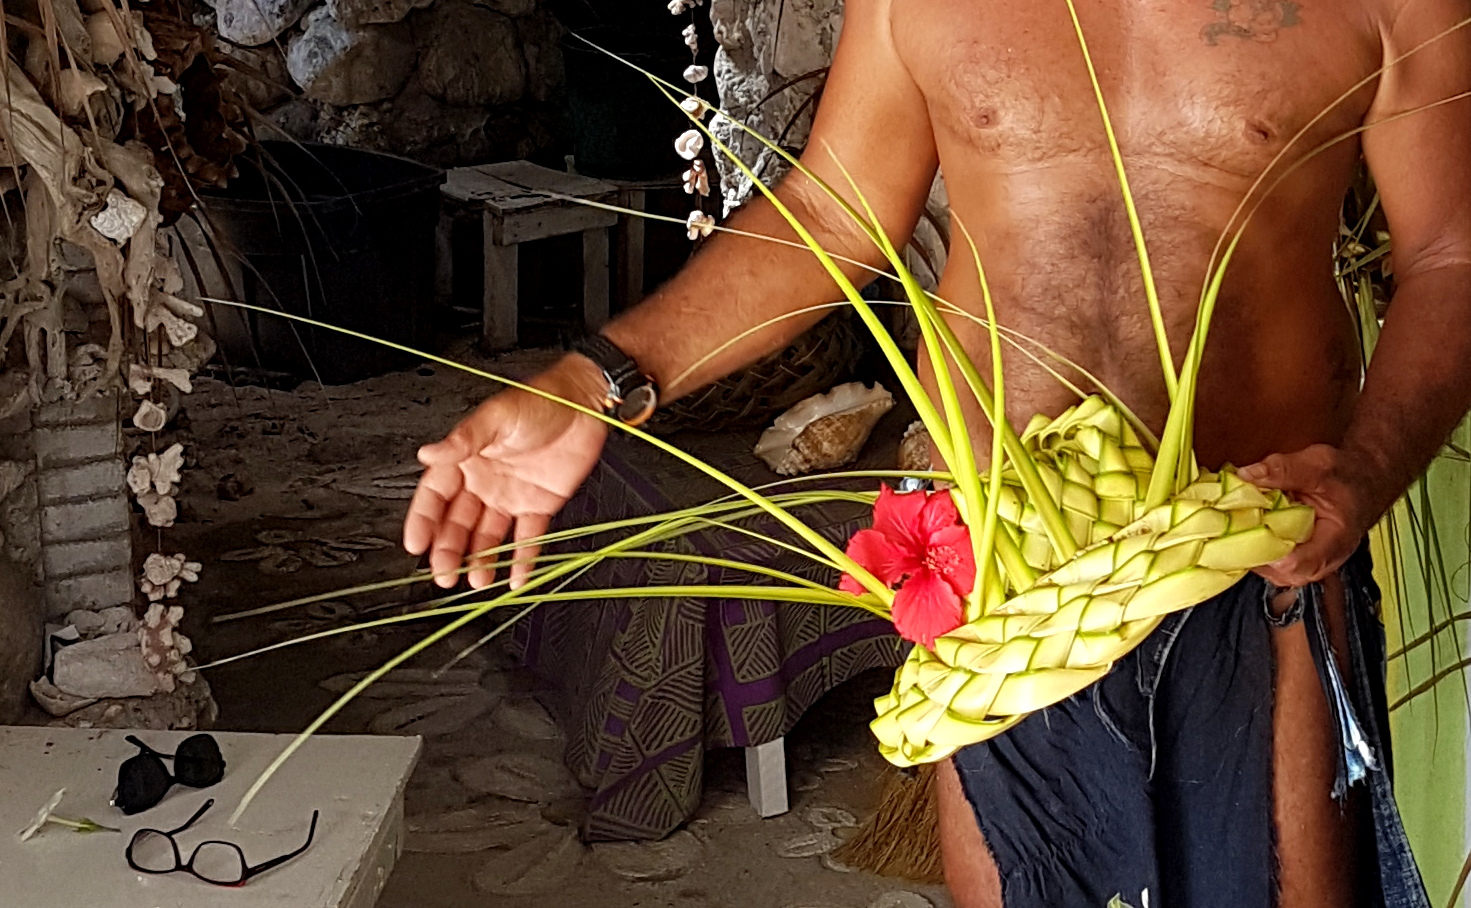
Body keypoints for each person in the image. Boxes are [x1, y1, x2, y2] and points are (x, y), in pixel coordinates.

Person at [404, 1, 1471, 905]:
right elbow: (829, 215)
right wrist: (596, 377)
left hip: (1251, 552)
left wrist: (1364, 475)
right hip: (997, 569)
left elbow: (1449, 254)